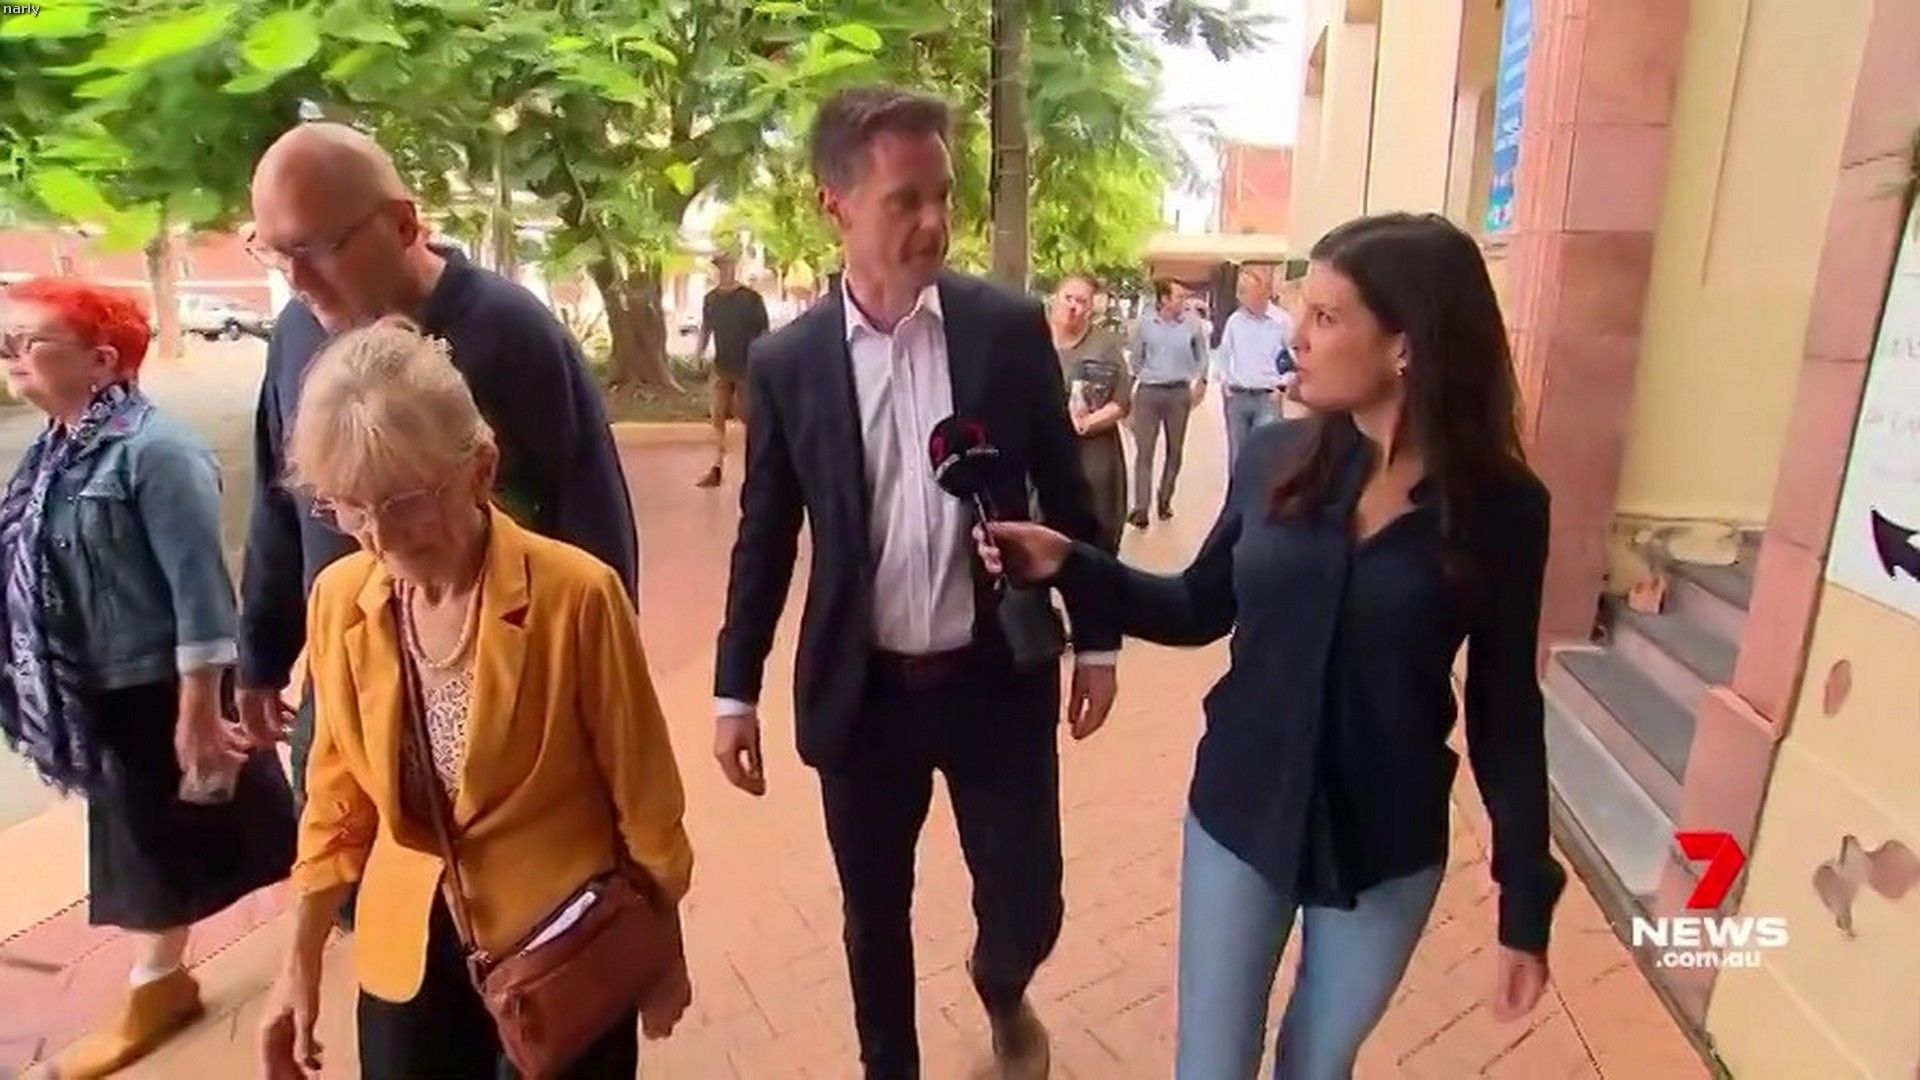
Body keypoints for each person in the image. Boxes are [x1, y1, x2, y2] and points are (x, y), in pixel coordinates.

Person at [978, 213, 1566, 1079]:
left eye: (1326, 317)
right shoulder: (1275, 458)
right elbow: (1195, 607)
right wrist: (1071, 563)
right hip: (1240, 813)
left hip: (1387, 840)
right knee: (1211, 1068)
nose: (1298, 337)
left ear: (1405, 344)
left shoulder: (1504, 509)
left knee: (1316, 1067)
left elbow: (1506, 711)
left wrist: (1525, 904)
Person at [711, 85, 1122, 1080]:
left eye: (943, 196)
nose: (935, 222)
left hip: (995, 677)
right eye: (906, 200)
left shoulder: (1006, 330)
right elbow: (765, 537)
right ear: (837, 205)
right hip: (866, 695)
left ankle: (1001, 982)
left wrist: (1099, 639)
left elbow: (1069, 494)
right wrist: (734, 692)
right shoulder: (787, 363)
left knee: (1029, 901)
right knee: (873, 917)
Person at [256, 317, 693, 1079]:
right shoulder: (339, 599)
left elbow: (645, 800)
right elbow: (336, 798)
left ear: (480, 470)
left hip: (563, 949)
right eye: (349, 506)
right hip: (408, 953)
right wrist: (299, 965)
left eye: (404, 502)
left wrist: (662, 954)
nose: (379, 538)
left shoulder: (576, 596)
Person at [238, 121, 640, 812]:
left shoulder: (513, 334)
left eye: (316, 248)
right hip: (350, 701)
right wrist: (261, 658)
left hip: (500, 714)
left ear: (402, 224)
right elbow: (280, 508)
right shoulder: (297, 335)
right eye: (274, 253)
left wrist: (598, 704)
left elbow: (592, 526)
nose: (296, 280)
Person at [0, 279, 296, 1079]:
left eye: (30, 342)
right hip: (100, 686)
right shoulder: (58, 451)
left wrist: (198, 707)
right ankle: (337, 891)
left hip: (160, 684)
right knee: (219, 825)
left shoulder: (157, 451)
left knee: (154, 842)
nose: (10, 356)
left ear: (101, 362)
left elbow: (202, 591)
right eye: (6, 341)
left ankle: (157, 987)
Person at [1051, 274, 1131, 553]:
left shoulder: (1105, 345)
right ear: (1054, 299)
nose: (1073, 306)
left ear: (1090, 308)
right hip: (1046, 454)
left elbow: (1121, 401)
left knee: (1096, 537)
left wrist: (1089, 422)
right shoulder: (1033, 339)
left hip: (1094, 455)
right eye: (1068, 298)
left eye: (1081, 301)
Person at [1126, 278, 1210, 529]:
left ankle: (1165, 499)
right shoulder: (1145, 324)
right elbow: (1136, 359)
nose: (1184, 301)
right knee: (1144, 451)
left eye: (1184, 296)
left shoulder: (1192, 324)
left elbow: (1202, 355)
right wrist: (1130, 394)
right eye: (1179, 297)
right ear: (1163, 300)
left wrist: (1201, 381)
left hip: (1178, 393)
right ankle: (1141, 508)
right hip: (1149, 392)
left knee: (1175, 450)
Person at [695, 251, 771, 488]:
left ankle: (760, 469)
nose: (724, 269)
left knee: (750, 418)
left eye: (728, 265)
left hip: (747, 366)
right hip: (722, 366)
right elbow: (706, 328)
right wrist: (699, 352)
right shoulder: (711, 299)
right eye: (720, 266)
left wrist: (763, 361)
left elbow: (764, 331)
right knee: (717, 417)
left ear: (734, 267)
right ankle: (716, 466)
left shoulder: (751, 298)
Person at [1212, 266, 1295, 472]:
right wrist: (1225, 381)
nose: (1241, 297)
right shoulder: (1235, 321)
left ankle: (1264, 494)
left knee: (1266, 457)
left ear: (1263, 292)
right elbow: (1223, 354)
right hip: (1237, 398)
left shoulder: (1282, 321)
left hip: (1267, 398)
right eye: (1240, 291)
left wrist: (1283, 386)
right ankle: (1238, 493)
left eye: (1245, 291)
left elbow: (1295, 356)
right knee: (1238, 458)